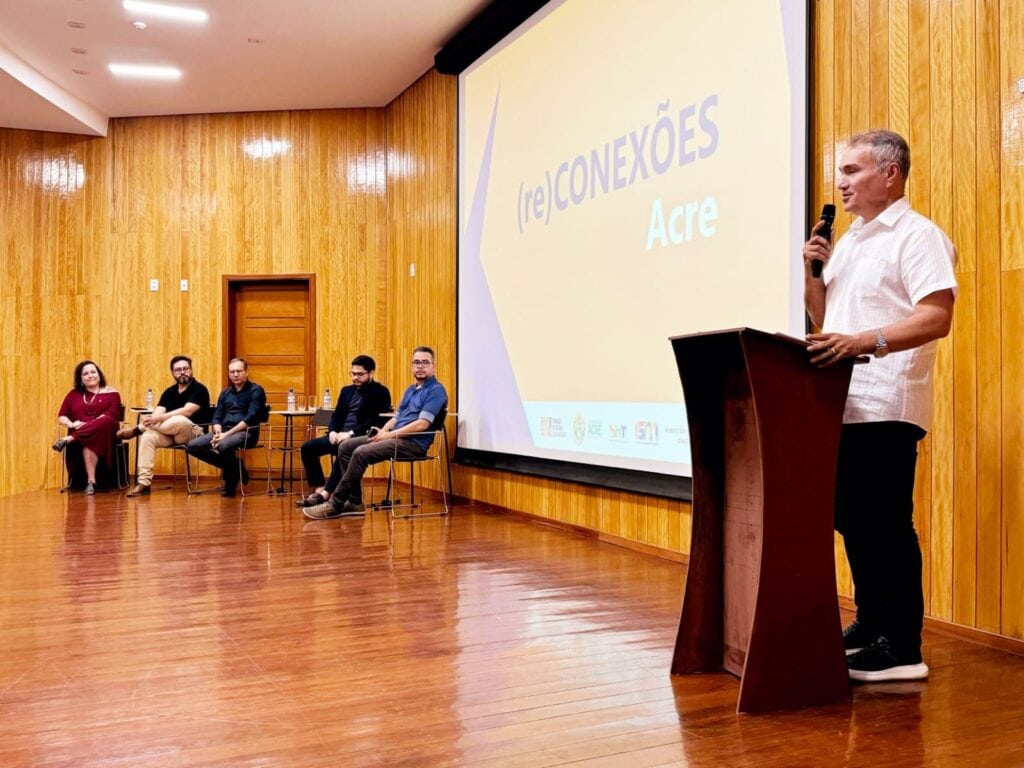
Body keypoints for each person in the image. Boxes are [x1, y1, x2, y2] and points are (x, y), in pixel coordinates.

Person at [802, 130, 957, 683]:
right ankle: (872, 626)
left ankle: (903, 645)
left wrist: (863, 341)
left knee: (886, 523)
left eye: (851, 171)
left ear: (890, 173)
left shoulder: (918, 237)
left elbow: (937, 316)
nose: (839, 183)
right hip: (842, 403)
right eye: (840, 173)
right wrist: (813, 271)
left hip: (888, 400)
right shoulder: (850, 241)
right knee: (852, 519)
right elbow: (827, 322)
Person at [304, 346, 448, 520]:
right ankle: (355, 502)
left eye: (425, 362)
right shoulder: (411, 390)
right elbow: (397, 417)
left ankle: (335, 503)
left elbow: (422, 425)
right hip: (394, 437)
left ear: (434, 366)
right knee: (346, 446)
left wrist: (387, 436)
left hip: (413, 443)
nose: (420, 366)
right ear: (411, 365)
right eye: (416, 362)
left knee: (360, 452)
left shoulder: (436, 390)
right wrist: (383, 431)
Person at [295, 355, 391, 508]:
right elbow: (337, 416)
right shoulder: (346, 391)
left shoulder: (380, 392)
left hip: (361, 436)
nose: (355, 377)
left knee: (344, 449)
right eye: (353, 373)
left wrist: (349, 434)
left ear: (371, 373)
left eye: (360, 374)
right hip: (339, 435)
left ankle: (326, 493)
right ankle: (319, 489)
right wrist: (332, 431)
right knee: (308, 448)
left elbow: (374, 421)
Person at [119, 356, 213, 497]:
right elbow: (158, 413)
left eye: (186, 369)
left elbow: (187, 411)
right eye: (178, 370)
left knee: (180, 419)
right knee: (148, 436)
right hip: (171, 434)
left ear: (191, 370)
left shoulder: (199, 389)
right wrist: (152, 420)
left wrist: (157, 419)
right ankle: (144, 483)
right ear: (172, 372)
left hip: (194, 434)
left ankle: (137, 429)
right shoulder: (169, 392)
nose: (182, 372)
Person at [185, 358, 267, 497]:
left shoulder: (256, 390)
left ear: (246, 372)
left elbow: (250, 418)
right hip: (223, 432)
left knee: (223, 445)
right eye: (232, 371)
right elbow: (217, 416)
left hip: (246, 432)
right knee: (192, 446)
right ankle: (236, 467)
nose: (235, 374)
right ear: (229, 374)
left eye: (239, 371)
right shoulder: (225, 392)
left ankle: (230, 483)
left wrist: (226, 435)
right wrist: (217, 430)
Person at [53, 360, 123, 494]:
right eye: (85, 374)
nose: (90, 375)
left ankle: (68, 439)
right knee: (90, 441)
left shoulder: (112, 393)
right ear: (80, 379)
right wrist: (71, 424)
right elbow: (62, 415)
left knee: (107, 419)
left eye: (93, 372)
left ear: (99, 374)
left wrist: (89, 424)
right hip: (84, 434)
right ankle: (91, 481)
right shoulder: (73, 394)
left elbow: (113, 414)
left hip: (105, 431)